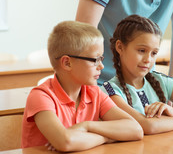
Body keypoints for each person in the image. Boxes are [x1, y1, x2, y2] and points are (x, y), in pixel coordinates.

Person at [21, 21, 143, 151]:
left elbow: (135, 129)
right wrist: (108, 137)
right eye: (95, 60)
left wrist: (87, 127)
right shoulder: (41, 96)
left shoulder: (94, 93)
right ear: (67, 63)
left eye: (101, 59)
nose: (101, 66)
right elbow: (66, 142)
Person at [101, 15, 173, 134]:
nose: (148, 59)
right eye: (142, 50)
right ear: (120, 47)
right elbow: (148, 126)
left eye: (154, 53)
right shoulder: (110, 91)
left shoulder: (161, 81)